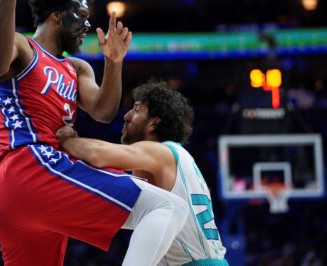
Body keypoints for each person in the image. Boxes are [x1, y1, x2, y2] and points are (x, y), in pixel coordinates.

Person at [0, 0, 188, 265]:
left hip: (14, 195)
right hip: (32, 165)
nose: (87, 25)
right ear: (55, 16)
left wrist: (114, 63)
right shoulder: (23, 47)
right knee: (166, 206)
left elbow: (104, 112)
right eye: (81, 15)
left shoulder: (76, 68)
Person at [57, 80, 229, 266]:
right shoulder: (178, 161)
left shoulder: (162, 152)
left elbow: (96, 154)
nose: (127, 115)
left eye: (137, 110)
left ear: (154, 123)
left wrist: (68, 140)